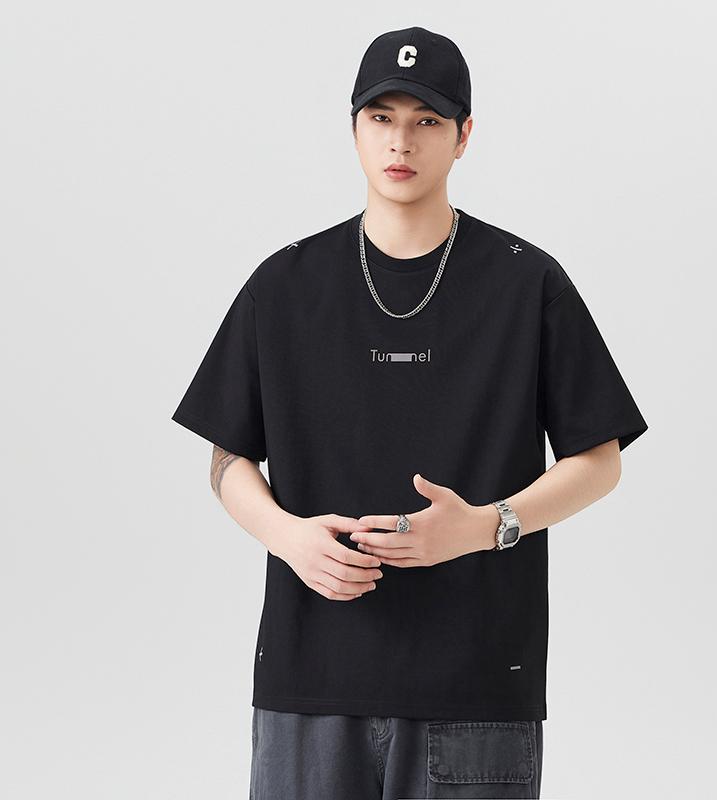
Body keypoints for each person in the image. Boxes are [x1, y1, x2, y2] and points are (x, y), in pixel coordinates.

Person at [171, 25, 648, 800]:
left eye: (427, 120)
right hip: (310, 679)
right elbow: (228, 456)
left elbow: (600, 459)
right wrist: (287, 537)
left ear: (464, 135)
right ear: (353, 128)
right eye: (381, 117)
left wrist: (486, 525)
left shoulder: (526, 284)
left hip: (475, 685)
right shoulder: (283, 285)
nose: (401, 141)